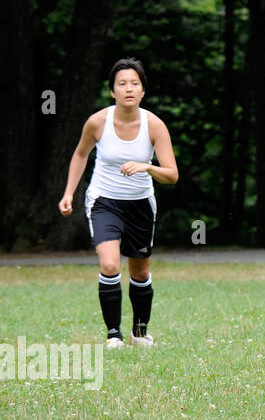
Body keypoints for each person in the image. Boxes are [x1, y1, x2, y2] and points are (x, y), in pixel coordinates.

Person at [58, 58, 179, 348]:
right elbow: (80, 155)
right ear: (112, 91)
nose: (128, 89)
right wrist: (68, 193)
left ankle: (140, 331)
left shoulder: (155, 126)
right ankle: (114, 334)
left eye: (134, 84)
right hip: (104, 201)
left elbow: (172, 175)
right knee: (111, 264)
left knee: (140, 272)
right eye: (121, 84)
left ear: (142, 91)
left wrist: (146, 167)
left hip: (139, 205)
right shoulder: (98, 122)